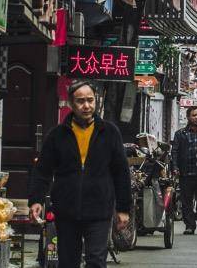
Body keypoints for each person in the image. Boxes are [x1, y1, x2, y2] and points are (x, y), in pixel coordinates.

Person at [27, 81, 133, 268]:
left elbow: (121, 173)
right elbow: (42, 171)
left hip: (99, 210)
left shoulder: (109, 133)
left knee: (96, 261)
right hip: (66, 210)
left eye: (90, 100)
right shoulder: (57, 135)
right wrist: (35, 200)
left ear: (96, 101)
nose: (86, 106)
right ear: (70, 104)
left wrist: (123, 209)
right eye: (81, 101)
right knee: (68, 262)